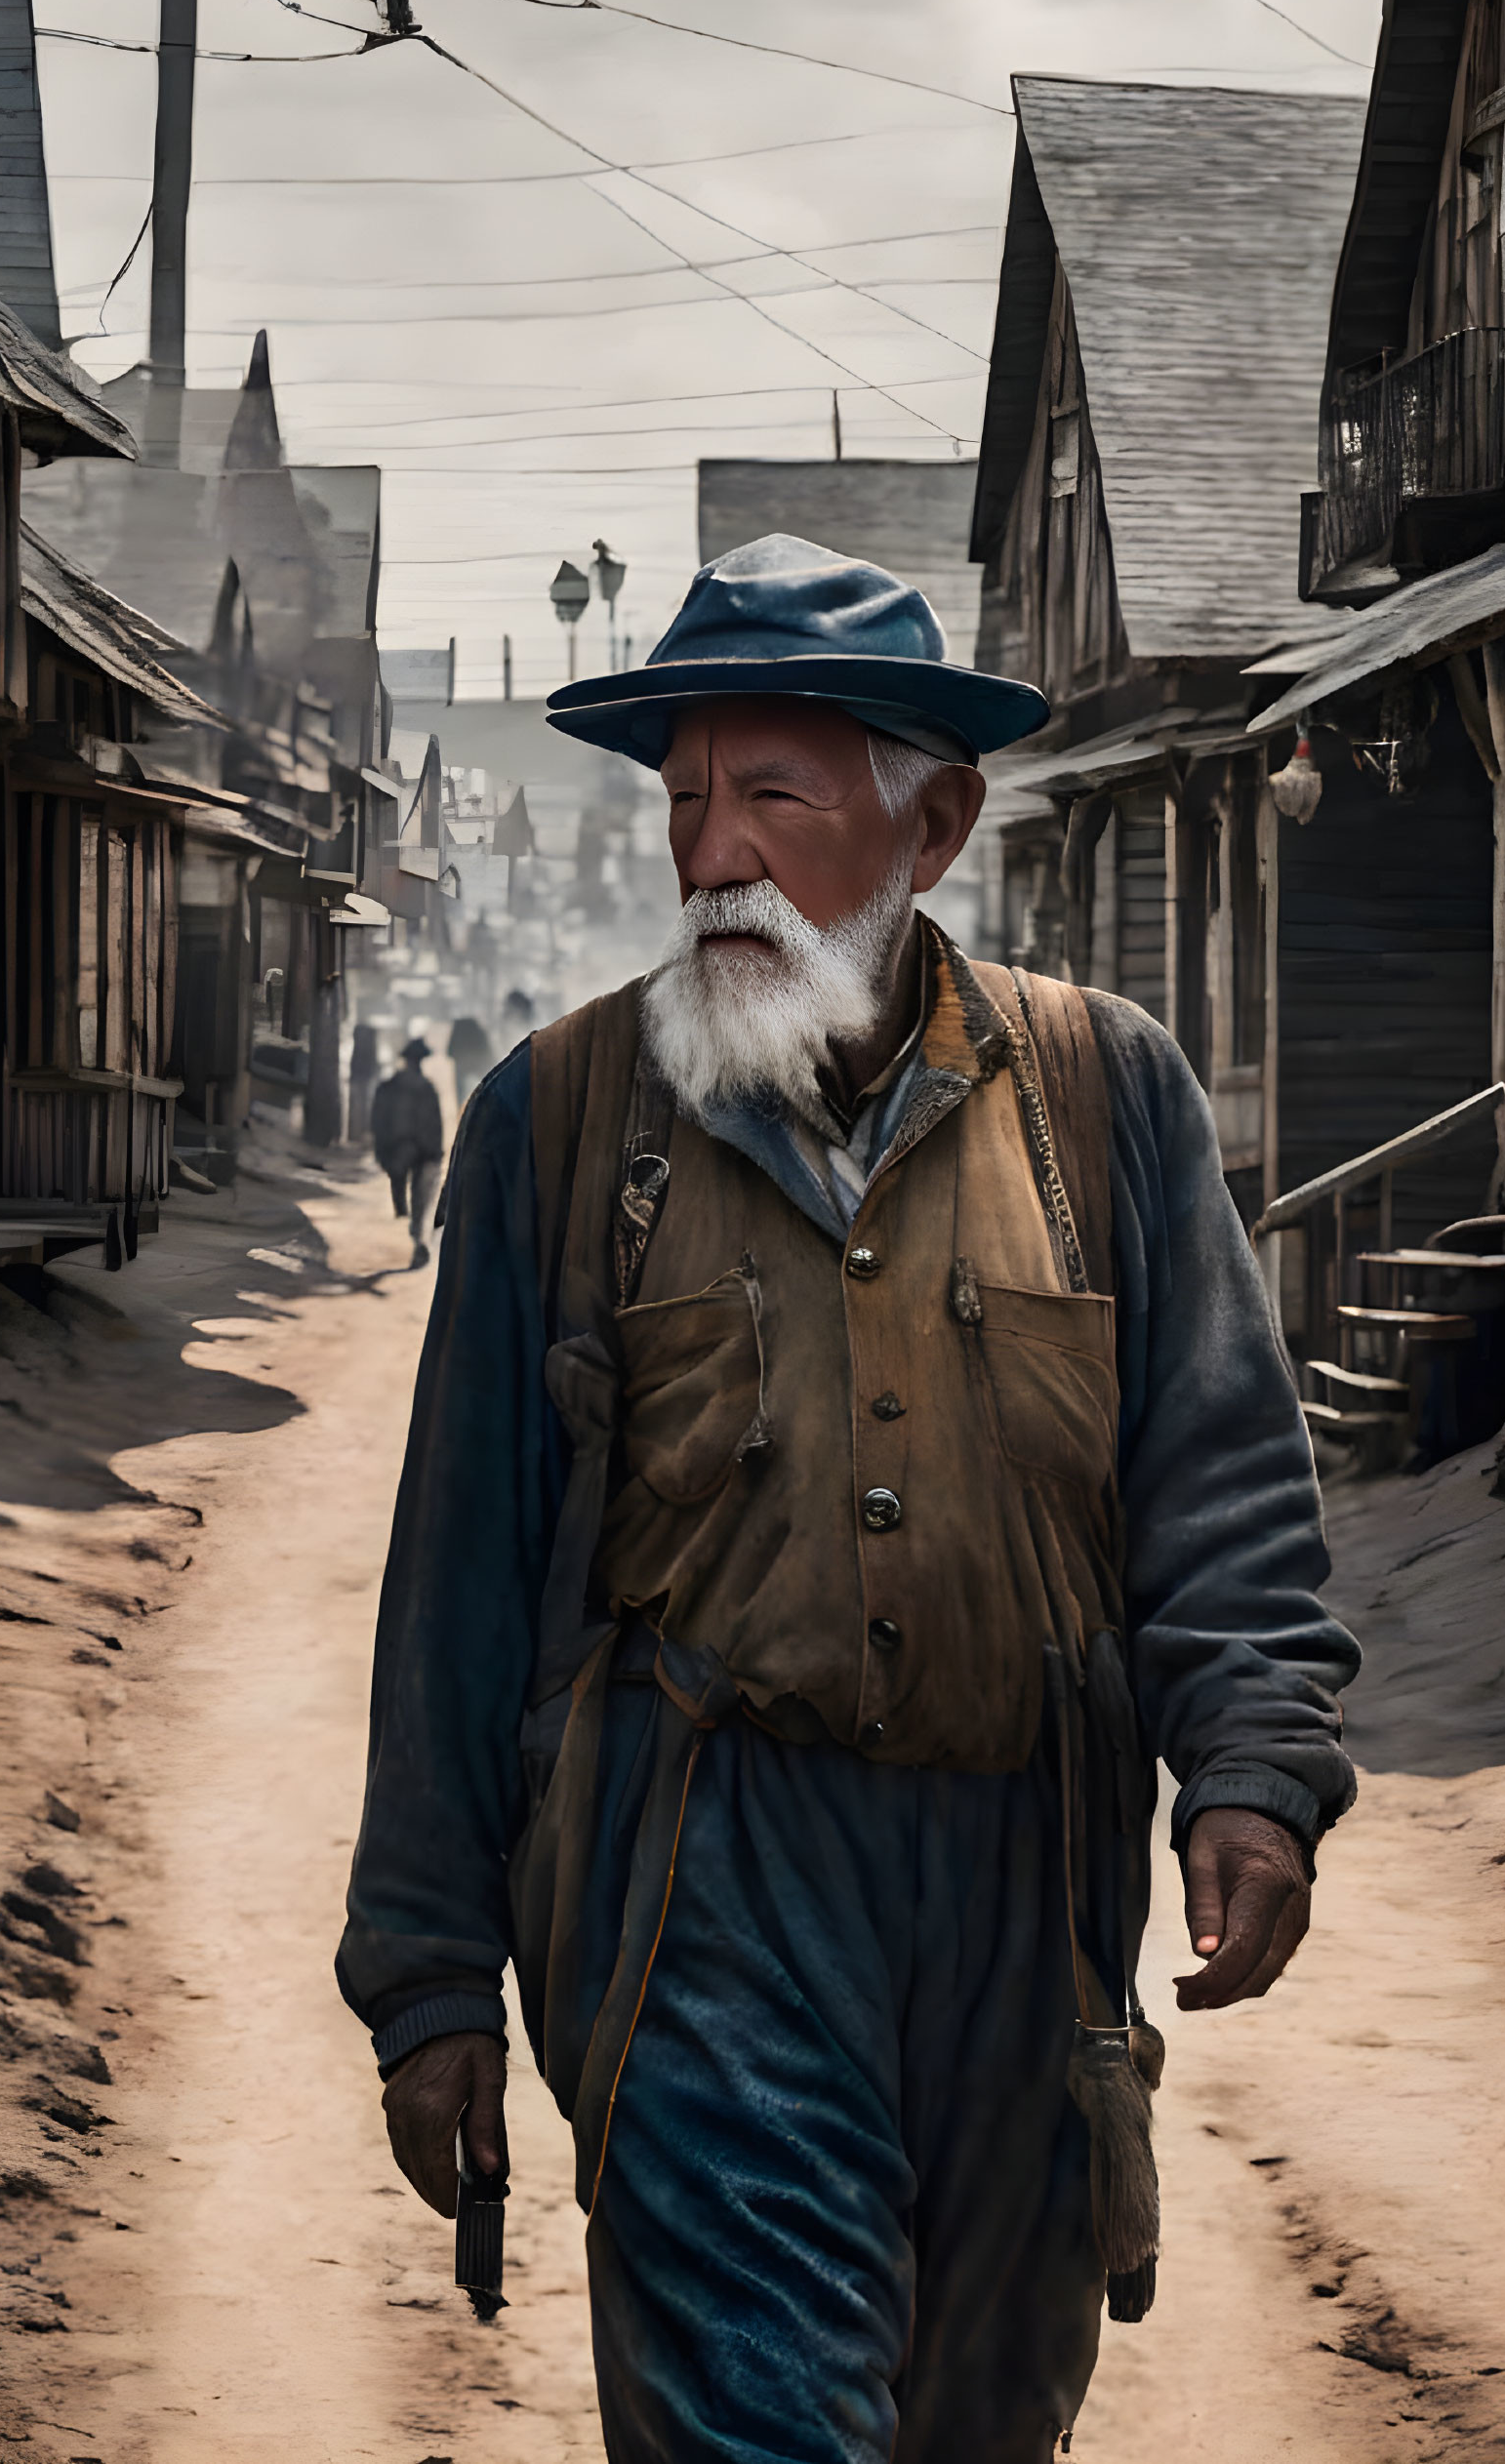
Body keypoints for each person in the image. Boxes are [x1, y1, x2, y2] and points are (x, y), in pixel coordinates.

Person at [339, 536, 1360, 2459]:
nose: (711, 849)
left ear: (935, 825)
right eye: (686, 798)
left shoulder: (1104, 1097)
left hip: (1021, 1914)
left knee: (980, 2425)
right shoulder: (557, 1125)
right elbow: (458, 1586)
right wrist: (426, 1974)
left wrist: (1251, 1766)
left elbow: (1219, 1482)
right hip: (704, 1881)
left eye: (774, 797)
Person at [368, 1037, 443, 1269]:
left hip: (410, 1150)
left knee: (414, 1199)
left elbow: (378, 1123)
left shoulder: (392, 1087)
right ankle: (415, 1237)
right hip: (410, 1150)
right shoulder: (417, 1088)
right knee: (414, 1199)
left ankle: (417, 1239)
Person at [446, 1013, 495, 1110]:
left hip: (470, 1070)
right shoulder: (475, 1030)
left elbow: (450, 1052)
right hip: (473, 1070)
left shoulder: (459, 1030)